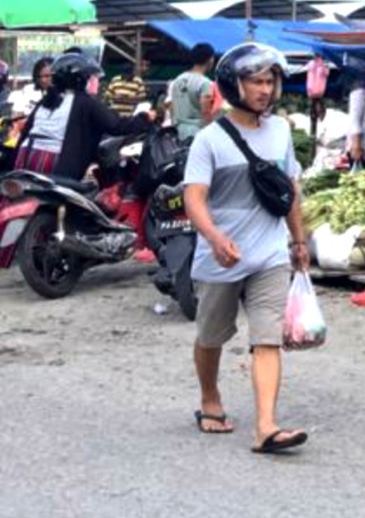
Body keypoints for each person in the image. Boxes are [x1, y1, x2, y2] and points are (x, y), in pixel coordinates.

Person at [183, 42, 309, 453]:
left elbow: (289, 188)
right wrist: (216, 238)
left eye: (270, 80)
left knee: (267, 338)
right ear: (234, 85)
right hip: (221, 255)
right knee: (211, 336)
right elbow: (195, 198)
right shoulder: (209, 139)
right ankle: (209, 399)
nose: (265, 89)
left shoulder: (282, 130)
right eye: (256, 80)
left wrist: (299, 240)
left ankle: (266, 427)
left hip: (269, 255)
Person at [12, 51, 160, 180]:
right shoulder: (84, 102)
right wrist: (145, 117)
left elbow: (26, 131)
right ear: (80, 79)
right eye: (89, 77)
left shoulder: (46, 100)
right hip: (53, 162)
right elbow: (117, 125)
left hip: (24, 157)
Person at [169, 44, 218, 142]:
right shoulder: (205, 83)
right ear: (210, 60)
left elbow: (171, 106)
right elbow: (206, 112)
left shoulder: (178, 79)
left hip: (176, 133)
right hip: (196, 134)